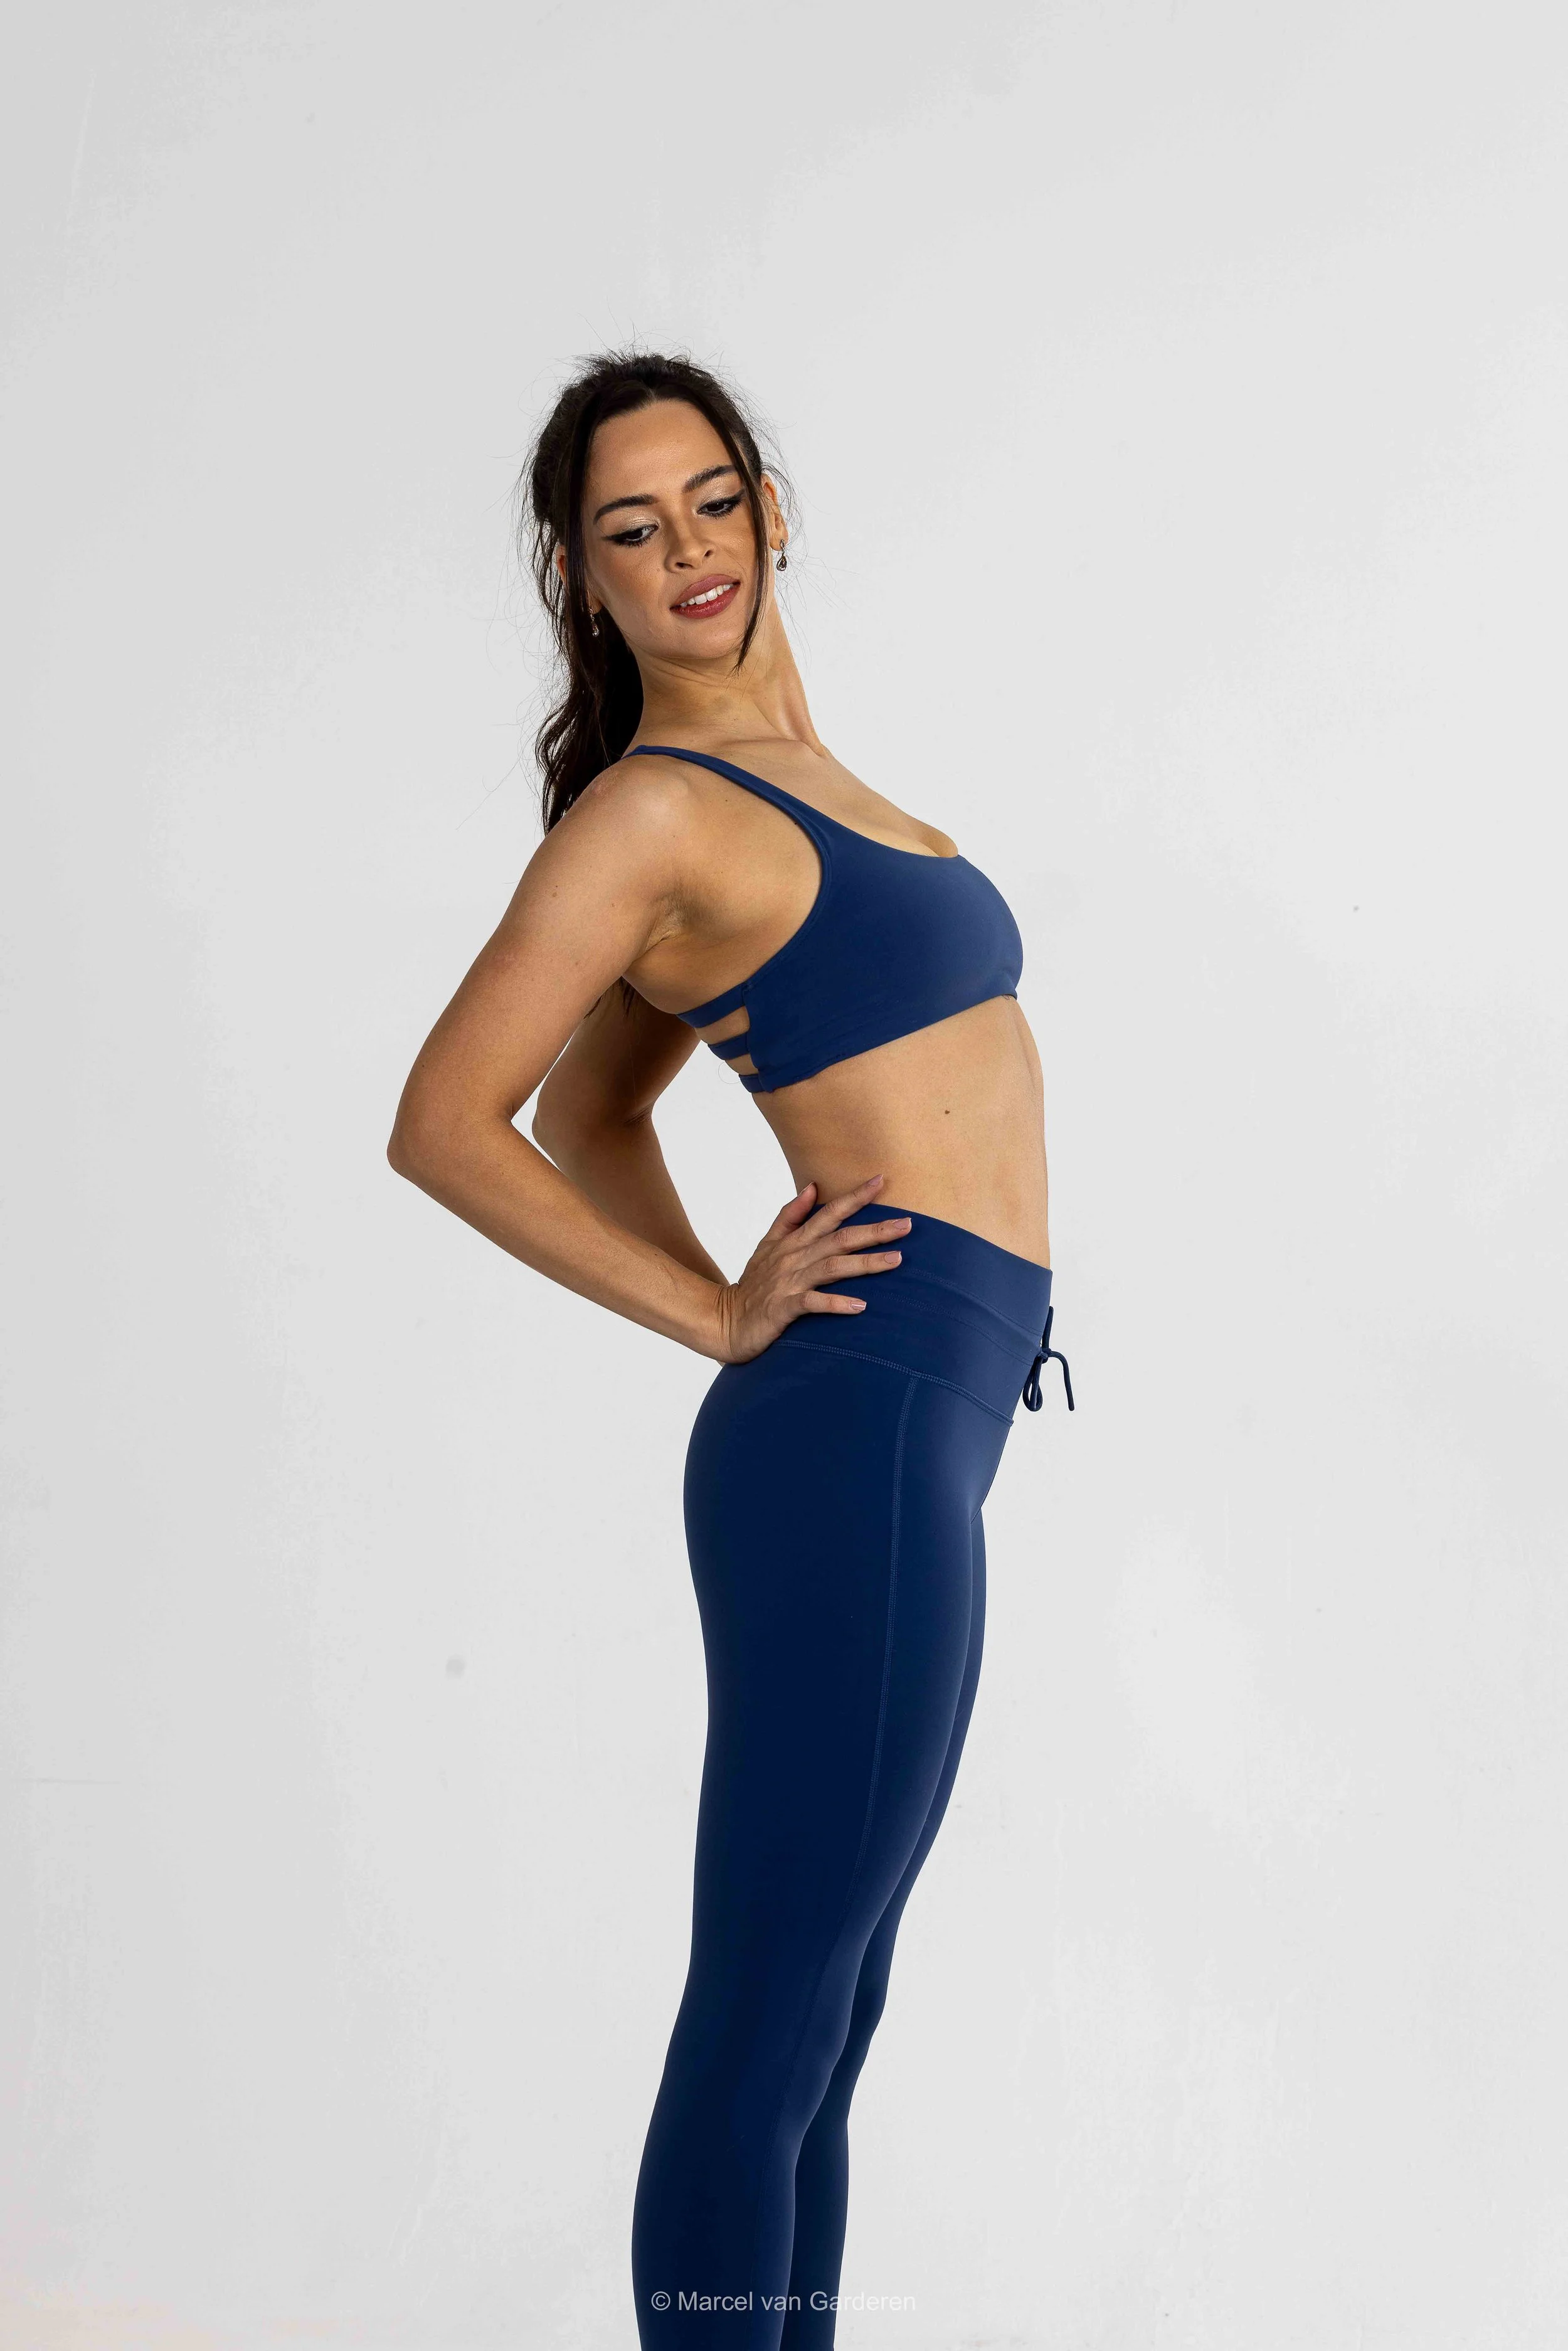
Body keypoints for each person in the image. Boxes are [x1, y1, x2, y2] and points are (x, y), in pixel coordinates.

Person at [387, 349, 1073, 2349]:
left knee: (828, 2009)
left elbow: (601, 1114)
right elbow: (450, 1119)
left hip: (910, 1413)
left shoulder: (805, 786)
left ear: (768, 504)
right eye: (627, 529)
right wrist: (720, 1317)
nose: (680, 549)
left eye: (705, 501)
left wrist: (741, 1320)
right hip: (848, 1428)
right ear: (575, 578)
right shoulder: (651, 816)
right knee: (770, 2006)